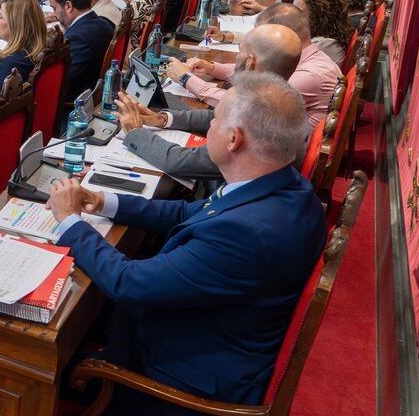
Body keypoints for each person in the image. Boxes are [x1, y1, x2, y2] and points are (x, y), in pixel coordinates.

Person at [46, 72, 325, 414]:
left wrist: (70, 222)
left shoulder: (245, 234)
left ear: (234, 139)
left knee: (45, 343)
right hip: (208, 330)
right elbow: (188, 211)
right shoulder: (289, 187)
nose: (209, 128)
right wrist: (104, 201)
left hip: (177, 383)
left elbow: (129, 283)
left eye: (215, 120)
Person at [115, 24, 302, 182]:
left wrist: (135, 132)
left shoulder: (264, 116)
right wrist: (162, 119)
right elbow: (212, 116)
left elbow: (178, 162)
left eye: (240, 52)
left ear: (251, 63)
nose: (236, 58)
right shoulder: (278, 97)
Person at [166, 3, 341, 128]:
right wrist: (212, 68)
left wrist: (185, 78)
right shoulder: (305, 56)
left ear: (279, 35)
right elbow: (260, 74)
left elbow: (243, 106)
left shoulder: (308, 77)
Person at [48, 0, 114, 101]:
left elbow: (63, 84)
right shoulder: (105, 23)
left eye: (54, 8)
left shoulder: (77, 37)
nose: (53, 14)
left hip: (75, 105)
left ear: (68, 6)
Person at [293, 0, 352, 65]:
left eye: (298, 12)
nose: (291, 15)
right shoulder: (323, 37)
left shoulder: (322, 45)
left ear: (318, 16)